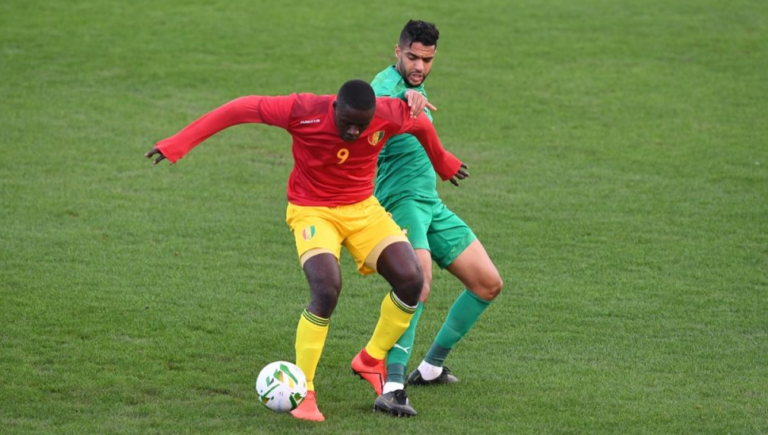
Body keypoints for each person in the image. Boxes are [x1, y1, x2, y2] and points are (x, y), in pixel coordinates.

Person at [145, 79, 469, 421]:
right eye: (347, 123)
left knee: (411, 280)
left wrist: (442, 161)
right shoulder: (303, 110)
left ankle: (371, 359)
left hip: (363, 209)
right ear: (335, 109)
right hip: (312, 210)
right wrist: (179, 143)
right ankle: (305, 391)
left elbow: (420, 124)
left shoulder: (387, 113)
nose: (354, 132)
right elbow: (241, 108)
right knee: (326, 289)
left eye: (362, 126)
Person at [359, 20, 503, 416]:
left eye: (427, 59)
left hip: (430, 205)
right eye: (412, 57)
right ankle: (391, 386)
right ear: (397, 51)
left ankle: (431, 367)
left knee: (487, 284)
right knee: (417, 286)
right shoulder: (383, 89)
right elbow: (383, 108)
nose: (419, 66)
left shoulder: (417, 85)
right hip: (401, 204)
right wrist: (404, 98)